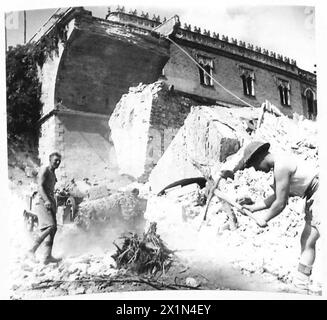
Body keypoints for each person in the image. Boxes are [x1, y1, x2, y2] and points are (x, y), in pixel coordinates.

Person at [209, 140, 319, 289]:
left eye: (254, 165)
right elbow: (276, 196)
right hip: (315, 194)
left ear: (260, 157)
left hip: (319, 193)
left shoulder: (281, 166)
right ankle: (301, 282)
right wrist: (253, 208)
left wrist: (264, 218)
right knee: (307, 239)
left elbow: (281, 203)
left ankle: (301, 285)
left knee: (308, 240)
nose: (256, 169)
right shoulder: (280, 163)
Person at [27, 152, 63, 264]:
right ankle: (31, 249)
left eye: (59, 161)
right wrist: (47, 200)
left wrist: (53, 202)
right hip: (42, 201)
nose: (57, 162)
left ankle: (47, 256)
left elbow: (51, 189)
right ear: (50, 160)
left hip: (50, 202)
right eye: (55, 160)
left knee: (54, 229)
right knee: (50, 226)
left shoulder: (53, 173)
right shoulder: (45, 170)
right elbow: (40, 187)